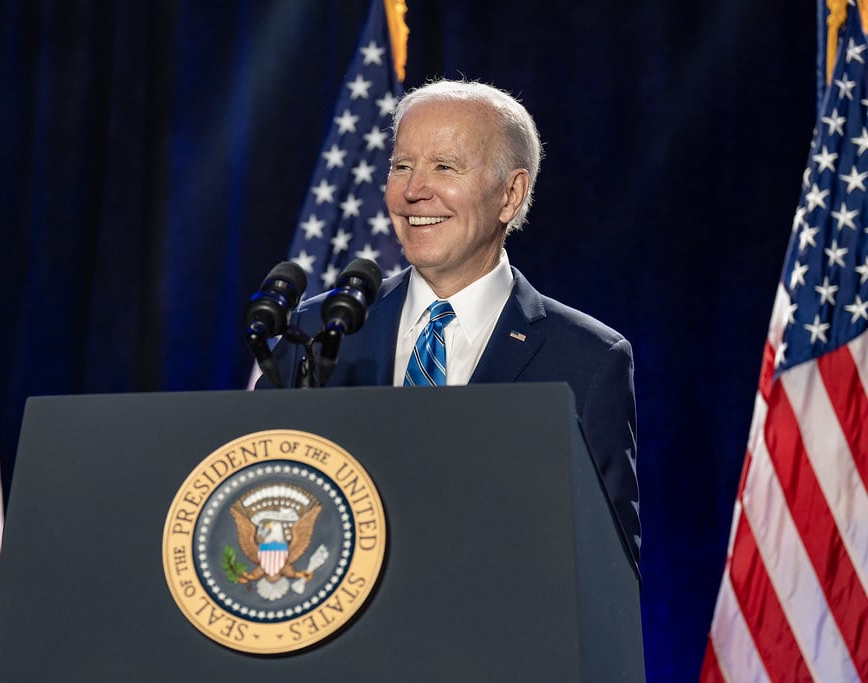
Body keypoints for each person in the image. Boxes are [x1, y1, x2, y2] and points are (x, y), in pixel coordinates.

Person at [261, 79, 640, 572]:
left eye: (444, 167)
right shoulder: (316, 331)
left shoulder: (587, 360)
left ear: (510, 194)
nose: (414, 191)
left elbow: (607, 573)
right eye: (401, 166)